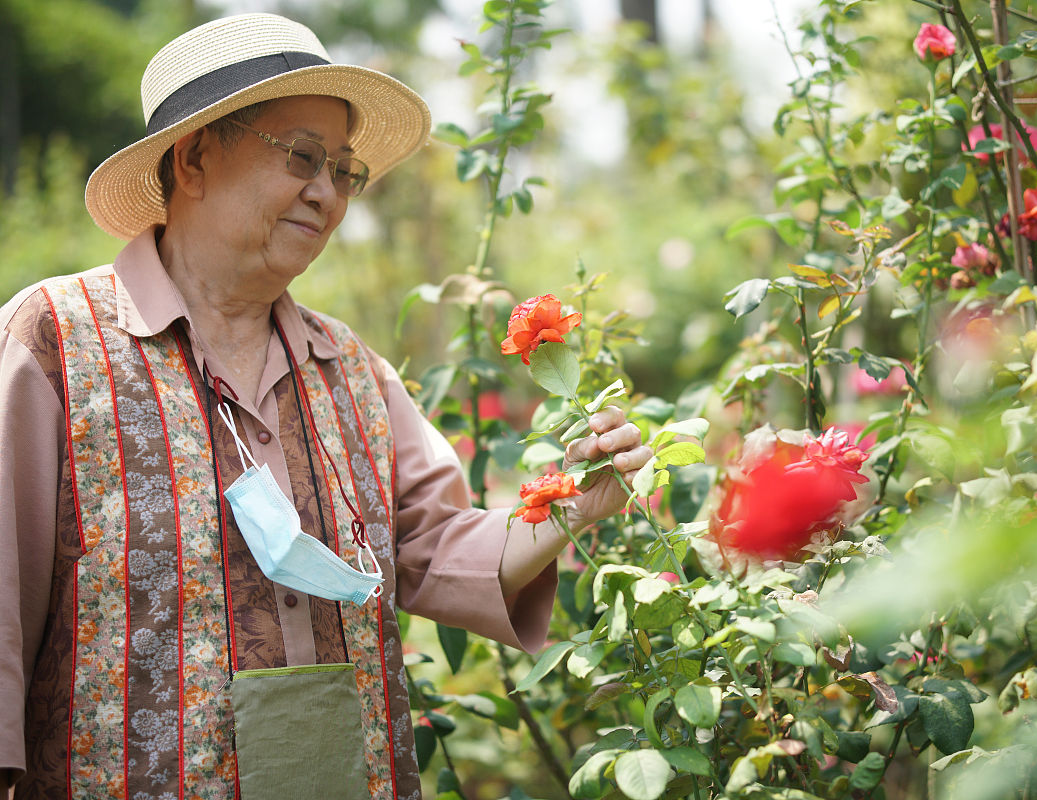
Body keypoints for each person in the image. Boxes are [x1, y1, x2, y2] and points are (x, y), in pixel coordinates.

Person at [0, 13, 650, 799]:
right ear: (196, 157)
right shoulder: (56, 341)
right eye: (303, 157)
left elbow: (438, 546)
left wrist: (572, 503)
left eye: (344, 171)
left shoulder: (351, 369)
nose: (327, 193)